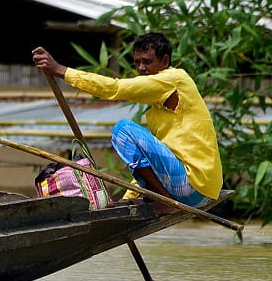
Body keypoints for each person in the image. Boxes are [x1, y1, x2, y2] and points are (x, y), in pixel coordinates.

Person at [32, 34, 221, 213]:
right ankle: (159, 198)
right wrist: (129, 196)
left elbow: (115, 88)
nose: (140, 68)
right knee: (136, 141)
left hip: (193, 187)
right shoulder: (159, 107)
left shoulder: (173, 79)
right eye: (137, 62)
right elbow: (151, 162)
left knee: (123, 130)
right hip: (203, 191)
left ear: (164, 61)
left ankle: (165, 201)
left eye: (147, 62)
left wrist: (60, 70)